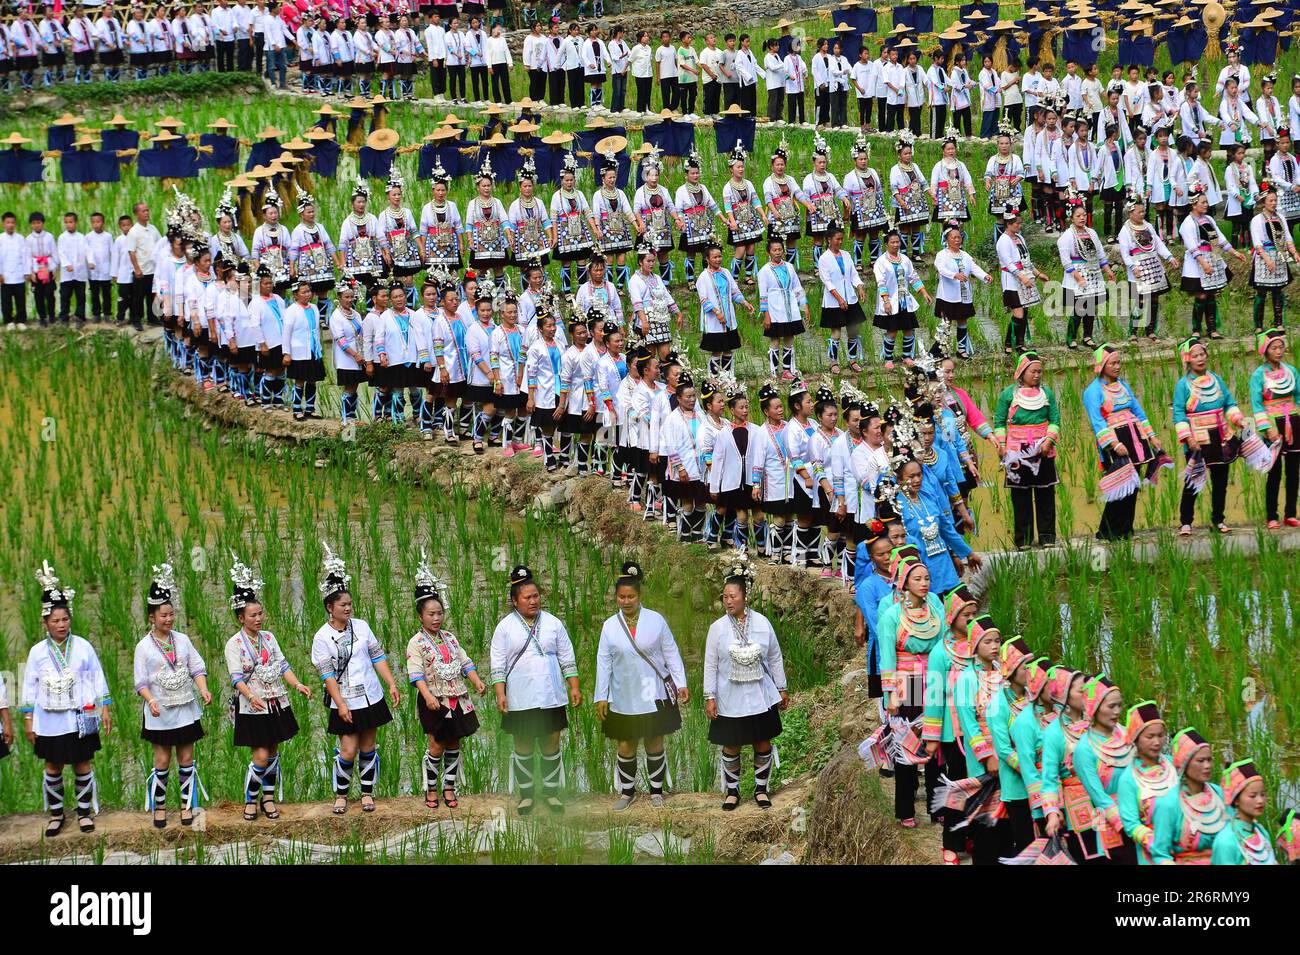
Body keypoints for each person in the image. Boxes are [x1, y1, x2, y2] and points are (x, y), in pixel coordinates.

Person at [311, 544, 402, 815]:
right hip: (345, 700)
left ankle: (366, 793)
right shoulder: (321, 637)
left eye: (350, 604)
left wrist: (391, 683)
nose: (348, 608)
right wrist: (340, 704)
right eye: (343, 605)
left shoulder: (361, 626)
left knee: (368, 746)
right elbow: (327, 675)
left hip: (370, 696)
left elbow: (377, 656)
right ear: (330, 607)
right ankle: (341, 796)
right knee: (348, 749)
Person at [23, 562, 111, 836]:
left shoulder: (83, 646)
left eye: (65, 619)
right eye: (55, 621)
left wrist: (105, 707)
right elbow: (29, 685)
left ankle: (84, 813)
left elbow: (96, 676)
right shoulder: (37, 652)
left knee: (82, 763)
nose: (61, 625)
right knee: (53, 766)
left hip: (78, 717)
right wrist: (28, 719)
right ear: (45, 623)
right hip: (49, 720)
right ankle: (56, 815)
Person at [595, 561, 688, 810]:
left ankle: (656, 791)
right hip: (623, 693)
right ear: (616, 597)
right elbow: (603, 662)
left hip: (652, 690)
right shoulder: (609, 626)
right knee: (626, 744)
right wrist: (601, 696)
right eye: (621, 597)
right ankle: (627, 793)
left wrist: (681, 683)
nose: (626, 601)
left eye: (631, 597)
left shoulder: (656, 620)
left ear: (639, 596)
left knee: (654, 740)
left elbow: (671, 652)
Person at [490, 565, 581, 815]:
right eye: (527, 597)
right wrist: (500, 693)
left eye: (536, 596)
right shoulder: (504, 628)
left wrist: (574, 686)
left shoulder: (553, 623)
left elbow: (567, 656)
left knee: (552, 741)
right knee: (524, 743)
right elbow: (498, 664)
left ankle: (551, 794)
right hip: (520, 696)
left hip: (551, 695)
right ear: (514, 601)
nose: (533, 601)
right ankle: (527, 795)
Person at [704, 554, 788, 810]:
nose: (728, 601)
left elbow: (774, 656)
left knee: (762, 741)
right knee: (732, 744)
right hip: (729, 696)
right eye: (724, 597)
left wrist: (782, 688)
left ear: (745, 596)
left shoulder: (762, 623)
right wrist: (709, 696)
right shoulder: (717, 628)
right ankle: (733, 792)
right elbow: (710, 664)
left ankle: (761, 790)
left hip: (760, 694)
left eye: (733, 596)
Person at [134, 564, 211, 829]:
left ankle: (186, 807)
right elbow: (140, 682)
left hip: (185, 710)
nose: (168, 619)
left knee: (186, 760)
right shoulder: (143, 647)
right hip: (160, 713)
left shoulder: (183, 639)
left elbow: (197, 668)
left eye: (171, 614)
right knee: (162, 760)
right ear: (152, 617)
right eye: (163, 615)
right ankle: (160, 808)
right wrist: (151, 700)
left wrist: (203, 688)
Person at [405, 554, 484, 810]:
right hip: (434, 700)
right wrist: (428, 696)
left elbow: (464, 662)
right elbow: (416, 674)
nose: (436, 618)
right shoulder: (416, 643)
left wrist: (476, 681)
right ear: (421, 616)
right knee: (436, 745)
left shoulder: (450, 637)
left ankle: (449, 788)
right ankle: (431, 789)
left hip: (457, 697)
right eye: (431, 614)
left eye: (439, 613)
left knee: (454, 743)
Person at [877, 546, 945, 828]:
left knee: (936, 744)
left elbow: (943, 646)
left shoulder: (936, 608)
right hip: (907, 684)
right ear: (904, 583)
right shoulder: (892, 615)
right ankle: (906, 810)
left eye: (927, 578)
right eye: (917, 579)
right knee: (907, 747)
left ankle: (937, 806)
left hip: (934, 682)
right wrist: (890, 694)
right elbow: (887, 657)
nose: (924, 583)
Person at [1085, 344, 1168, 540]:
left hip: (1135, 439)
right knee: (1119, 485)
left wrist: (1151, 435)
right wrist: (1114, 444)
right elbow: (1097, 422)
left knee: (1133, 485)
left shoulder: (1123, 385)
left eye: (1118, 362)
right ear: (1102, 365)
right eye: (1112, 363)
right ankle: (1108, 531)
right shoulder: (1093, 391)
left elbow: (1138, 411)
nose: (1117, 366)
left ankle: (1126, 530)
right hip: (1114, 442)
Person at [1173, 337, 1246, 536]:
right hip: (1197, 440)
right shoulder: (1183, 385)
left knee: (1220, 481)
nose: (1200, 358)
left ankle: (1218, 520)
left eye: (1202, 354)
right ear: (1187, 360)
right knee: (1193, 481)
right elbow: (1178, 413)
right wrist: (1188, 438)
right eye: (1195, 356)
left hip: (1220, 436)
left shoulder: (1216, 379)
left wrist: (1239, 419)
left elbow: (1229, 403)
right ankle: (1185, 522)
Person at [993, 351, 1060, 548]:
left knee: (1045, 493)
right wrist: (1001, 444)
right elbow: (999, 422)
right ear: (1022, 372)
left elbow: (1055, 420)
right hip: (1017, 452)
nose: (1037, 375)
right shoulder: (1009, 394)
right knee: (1020, 496)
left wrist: (1049, 441)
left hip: (1042, 449)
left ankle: (1047, 536)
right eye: (1033, 371)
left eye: (1040, 371)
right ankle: (1023, 539)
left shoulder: (1046, 394)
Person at [1149, 727, 1227, 865]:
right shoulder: (1168, 803)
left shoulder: (1219, 794)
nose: (1207, 766)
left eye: (1209, 760)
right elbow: (1160, 854)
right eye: (1200, 761)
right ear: (1185, 763)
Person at [1178, 181, 1246, 338]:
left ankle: (1212, 329)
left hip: (1212, 257)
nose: (1206, 205)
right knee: (1201, 295)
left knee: (1211, 294)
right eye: (1203, 202)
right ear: (1194, 204)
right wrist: (1203, 264)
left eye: (1206, 202)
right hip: (1197, 263)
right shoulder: (1187, 223)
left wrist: (1234, 252)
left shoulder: (1209, 219)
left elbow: (1219, 239)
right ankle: (1196, 330)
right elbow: (1192, 246)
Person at [1250, 328, 1300, 528]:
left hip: (1293, 422)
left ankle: (1291, 514)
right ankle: (1272, 516)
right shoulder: (1258, 375)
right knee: (1275, 471)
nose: (1279, 351)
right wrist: (1267, 428)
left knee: (1294, 470)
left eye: (1281, 347)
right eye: (1274, 348)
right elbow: (1257, 404)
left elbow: (1298, 396)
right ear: (1265, 350)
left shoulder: (1291, 371)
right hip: (1272, 424)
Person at [1116, 701, 1175, 865]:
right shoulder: (1128, 779)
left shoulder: (1174, 765)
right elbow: (1131, 824)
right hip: (1153, 852)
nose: (1157, 742)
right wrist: (1160, 845)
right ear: (1136, 738)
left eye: (1160, 735)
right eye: (1150, 737)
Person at [1117, 191, 1177, 340]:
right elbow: (1125, 254)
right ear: (1131, 213)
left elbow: (1158, 244)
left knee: (1154, 299)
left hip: (1153, 265)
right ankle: (1133, 332)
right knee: (1141, 301)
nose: (1142, 214)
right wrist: (1133, 267)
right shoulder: (1125, 231)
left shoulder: (1148, 226)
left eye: (1143, 211)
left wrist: (1169, 257)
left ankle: (1150, 330)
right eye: (1139, 212)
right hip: (1138, 267)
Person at [1058, 190, 1113, 350]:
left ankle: (1087, 336)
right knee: (1079, 308)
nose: (1082, 218)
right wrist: (1079, 278)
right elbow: (1066, 262)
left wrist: (1108, 270)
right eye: (1078, 216)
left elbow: (1100, 254)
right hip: (1077, 275)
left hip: (1093, 273)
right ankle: (1071, 337)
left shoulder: (1091, 233)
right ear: (1071, 218)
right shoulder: (1066, 237)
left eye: (1083, 215)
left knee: (1091, 307)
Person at [871, 227, 931, 369]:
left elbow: (913, 277)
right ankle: (888, 358)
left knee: (908, 329)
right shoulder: (881, 262)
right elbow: (881, 283)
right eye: (892, 242)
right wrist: (886, 301)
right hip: (891, 301)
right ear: (886, 244)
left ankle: (907, 356)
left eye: (897, 242)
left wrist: (924, 292)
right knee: (892, 331)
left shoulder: (904, 259)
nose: (896, 245)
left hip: (904, 300)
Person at [932, 223, 991, 359]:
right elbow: (941, 269)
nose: (957, 240)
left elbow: (974, 268)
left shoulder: (965, 255)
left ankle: (961, 349)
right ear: (946, 240)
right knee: (946, 323)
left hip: (963, 294)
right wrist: (955, 275)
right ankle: (940, 350)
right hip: (947, 295)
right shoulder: (942, 255)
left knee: (962, 321)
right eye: (953, 237)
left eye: (959, 237)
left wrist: (985, 276)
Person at [697, 242, 752, 379]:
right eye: (714, 257)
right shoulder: (703, 277)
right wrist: (717, 313)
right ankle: (713, 378)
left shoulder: (726, 272)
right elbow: (704, 299)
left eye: (719, 256)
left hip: (728, 316)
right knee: (716, 350)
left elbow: (734, 291)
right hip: (714, 319)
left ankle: (728, 377)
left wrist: (744, 302)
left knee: (728, 348)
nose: (718, 259)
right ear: (707, 259)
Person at [996, 208, 1047, 354]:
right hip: (1012, 281)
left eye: (1020, 223)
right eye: (1017, 223)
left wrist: (1037, 273)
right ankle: (1008, 343)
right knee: (1018, 313)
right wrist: (1022, 277)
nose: (1019, 226)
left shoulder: (1019, 238)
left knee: (1024, 312)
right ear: (1008, 224)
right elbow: (1009, 263)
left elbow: (1026, 260)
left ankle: (1019, 343)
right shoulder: (1003, 241)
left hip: (1025, 277)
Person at [757, 238, 809, 381]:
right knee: (775, 340)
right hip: (775, 309)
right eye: (774, 250)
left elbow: (797, 287)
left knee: (789, 338)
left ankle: (787, 370)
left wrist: (804, 306)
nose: (778, 252)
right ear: (769, 252)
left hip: (790, 308)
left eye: (780, 249)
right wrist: (766, 315)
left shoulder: (789, 267)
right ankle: (773, 372)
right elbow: (763, 295)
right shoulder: (764, 271)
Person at [1249, 183, 1296, 333]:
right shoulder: (1257, 220)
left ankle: (1278, 323)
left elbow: (1287, 237)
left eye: (1275, 200)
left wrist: (1294, 252)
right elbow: (1257, 243)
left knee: (1278, 291)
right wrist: (1267, 259)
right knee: (1261, 292)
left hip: (1279, 256)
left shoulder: (1280, 217)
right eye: (1271, 200)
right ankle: (1258, 326)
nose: (1274, 203)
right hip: (1264, 257)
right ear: (1264, 202)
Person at [1212, 760, 1278, 865]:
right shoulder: (1226, 840)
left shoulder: (1262, 832)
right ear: (1236, 800)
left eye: (1262, 794)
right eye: (1253, 796)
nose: (1260, 800)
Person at [821, 227, 868, 374]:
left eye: (841, 239)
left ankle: (852, 360)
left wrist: (859, 287)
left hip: (850, 298)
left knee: (853, 331)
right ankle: (833, 362)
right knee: (836, 333)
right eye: (837, 239)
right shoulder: (824, 258)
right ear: (829, 240)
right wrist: (839, 299)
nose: (840, 242)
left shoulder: (846, 255)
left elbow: (853, 274)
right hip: (834, 301)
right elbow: (827, 282)